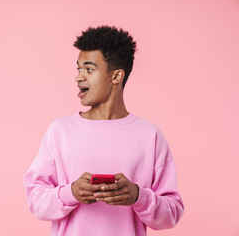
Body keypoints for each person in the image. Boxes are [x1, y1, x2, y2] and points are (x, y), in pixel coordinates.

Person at [23, 25, 184, 236]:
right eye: (78, 69)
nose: (79, 77)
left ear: (116, 76)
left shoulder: (150, 136)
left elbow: (172, 213)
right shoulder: (60, 131)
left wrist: (138, 196)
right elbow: (35, 201)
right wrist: (70, 193)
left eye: (89, 69)